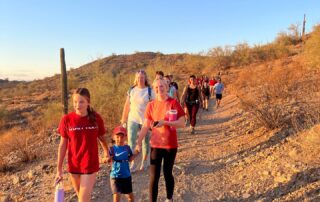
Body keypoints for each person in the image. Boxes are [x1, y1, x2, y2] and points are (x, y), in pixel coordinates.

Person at [135, 78, 185, 202]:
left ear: (167, 87)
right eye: (156, 87)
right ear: (153, 89)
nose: (159, 89)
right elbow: (146, 125)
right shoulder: (151, 105)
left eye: (161, 86)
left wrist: (165, 122)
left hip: (170, 145)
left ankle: (169, 198)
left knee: (168, 174)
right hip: (156, 145)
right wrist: (139, 142)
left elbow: (182, 123)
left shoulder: (173, 102)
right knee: (154, 177)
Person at [55, 88, 109, 202]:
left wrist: (106, 152)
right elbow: (62, 145)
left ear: (88, 102)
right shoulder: (66, 119)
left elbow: (102, 137)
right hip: (74, 164)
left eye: (81, 102)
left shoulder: (96, 118)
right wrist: (59, 169)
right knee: (81, 196)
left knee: (83, 200)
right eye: (75, 102)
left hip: (90, 163)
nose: (77, 105)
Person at [121, 70, 155, 171]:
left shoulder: (150, 91)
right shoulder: (131, 90)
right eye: (138, 77)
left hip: (146, 120)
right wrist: (123, 119)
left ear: (145, 79)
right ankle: (133, 163)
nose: (140, 79)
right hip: (133, 119)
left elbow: (154, 106)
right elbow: (127, 105)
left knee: (145, 142)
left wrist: (153, 120)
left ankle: (144, 162)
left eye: (142, 77)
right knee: (131, 142)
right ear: (136, 79)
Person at [109, 126, 139, 202]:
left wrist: (136, 153)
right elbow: (105, 159)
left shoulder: (127, 148)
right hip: (115, 176)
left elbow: (130, 159)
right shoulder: (111, 149)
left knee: (130, 197)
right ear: (113, 137)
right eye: (117, 137)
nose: (120, 139)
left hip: (126, 175)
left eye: (122, 137)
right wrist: (106, 159)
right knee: (116, 196)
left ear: (125, 137)